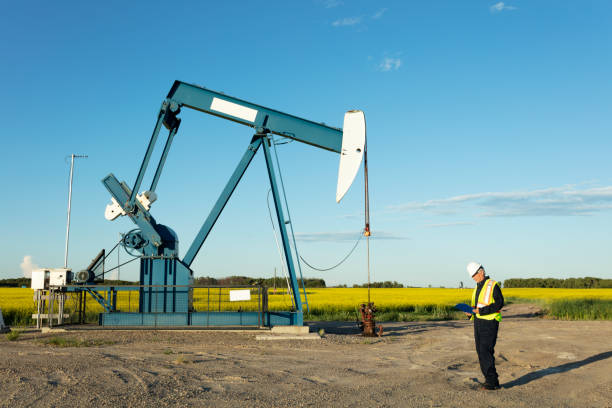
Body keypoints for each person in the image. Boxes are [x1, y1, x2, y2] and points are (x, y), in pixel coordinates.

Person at [466, 262, 504, 390]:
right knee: (480, 351)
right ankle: (490, 380)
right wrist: (469, 312)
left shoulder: (492, 285)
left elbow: (499, 303)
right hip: (478, 323)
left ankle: (492, 381)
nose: (474, 278)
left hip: (490, 322)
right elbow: (475, 307)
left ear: (481, 271)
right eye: (472, 276)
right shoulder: (477, 287)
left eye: (474, 275)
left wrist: (481, 311)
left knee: (485, 351)